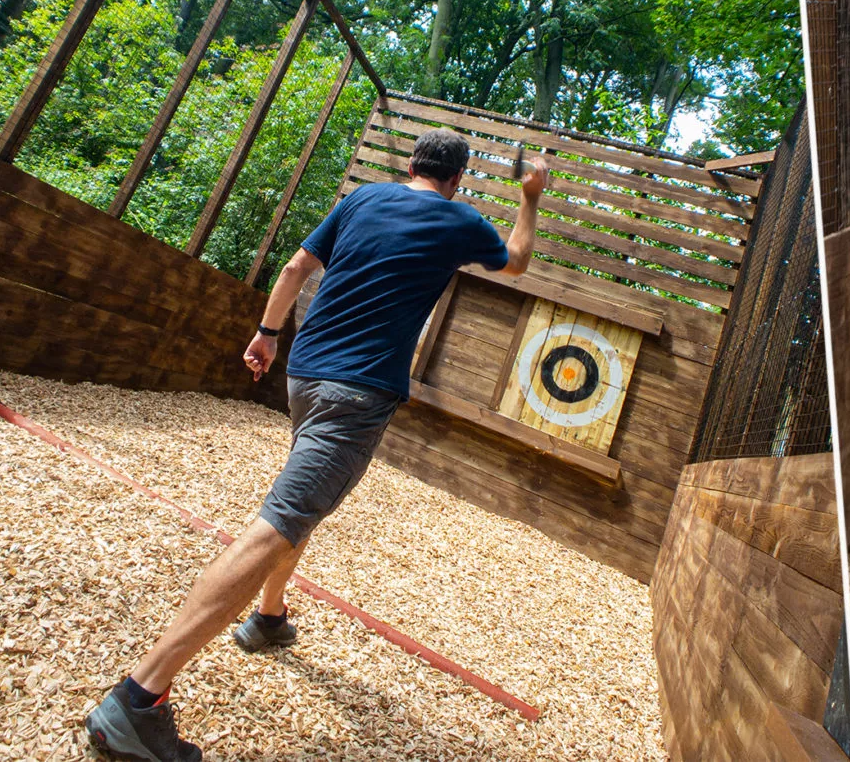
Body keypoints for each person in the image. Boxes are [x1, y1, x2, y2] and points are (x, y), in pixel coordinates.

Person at [83, 129, 545, 761]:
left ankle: (269, 618)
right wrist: (530, 198)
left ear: (410, 164)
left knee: (304, 509)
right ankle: (138, 698)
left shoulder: (359, 200)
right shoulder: (460, 221)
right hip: (356, 398)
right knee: (277, 524)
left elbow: (298, 268)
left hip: (305, 375)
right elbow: (517, 261)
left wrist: (268, 332)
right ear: (457, 179)